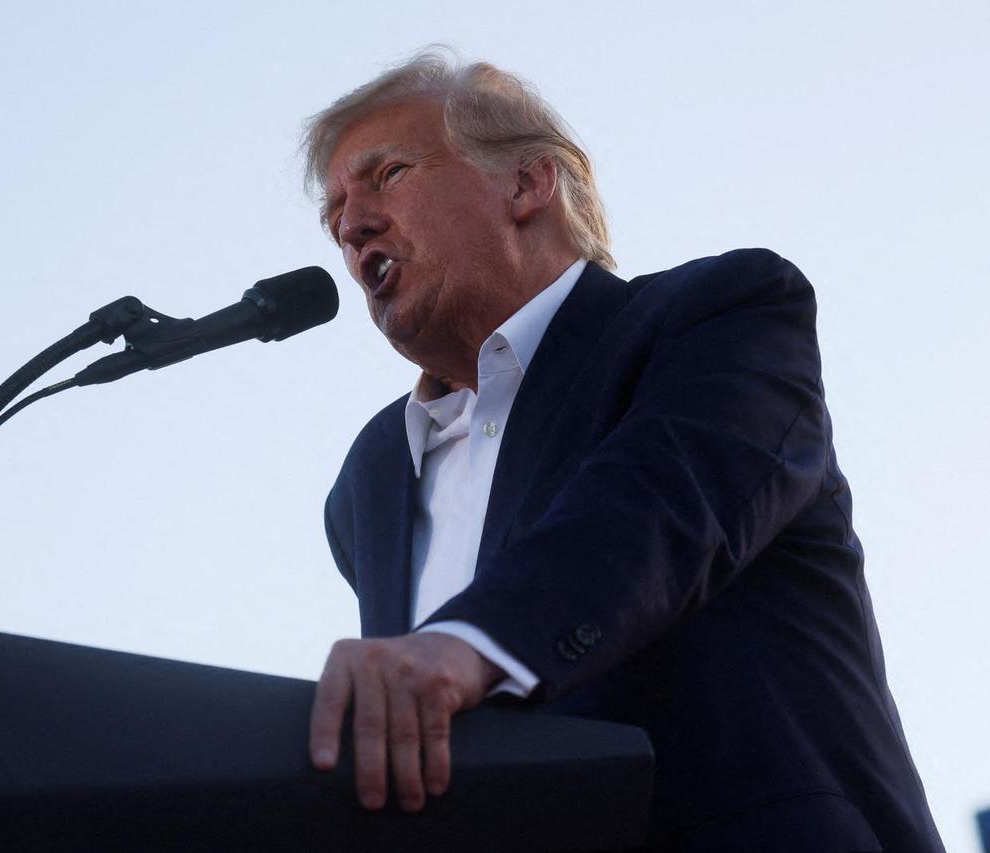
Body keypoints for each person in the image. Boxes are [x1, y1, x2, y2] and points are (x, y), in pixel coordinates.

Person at [301, 49, 944, 851]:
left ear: (529, 184)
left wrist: (466, 646)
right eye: (335, 216)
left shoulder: (718, 315)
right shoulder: (369, 486)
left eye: (388, 175)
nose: (352, 224)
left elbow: (656, 506)